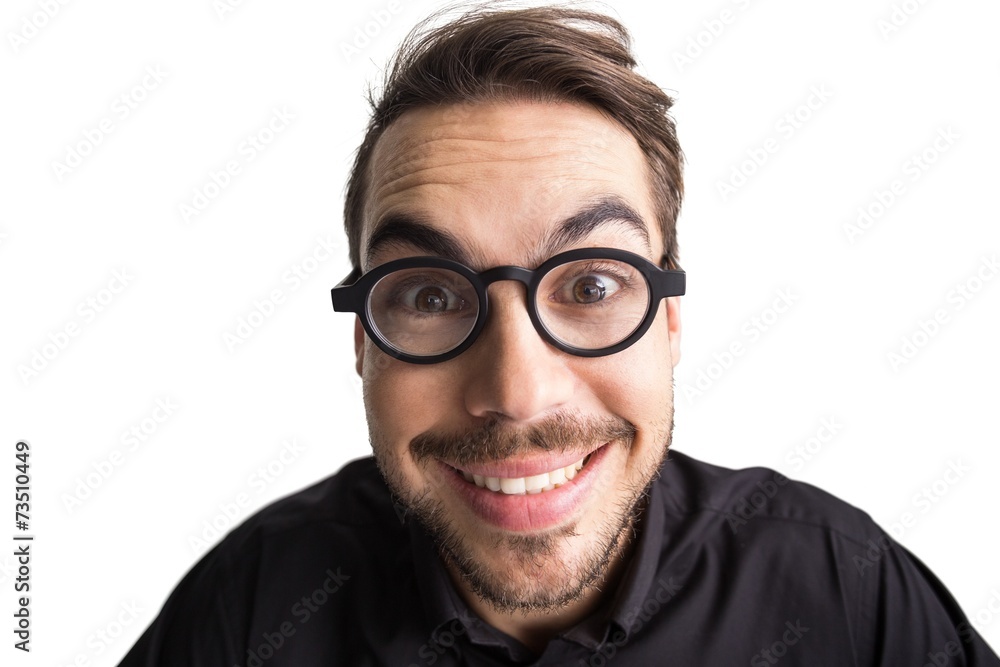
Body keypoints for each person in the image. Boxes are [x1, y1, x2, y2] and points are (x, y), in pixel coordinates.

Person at [119, 5, 1000, 666]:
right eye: (428, 294)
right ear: (361, 342)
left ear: (672, 319)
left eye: (591, 284)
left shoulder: (847, 595)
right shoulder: (251, 609)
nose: (517, 389)